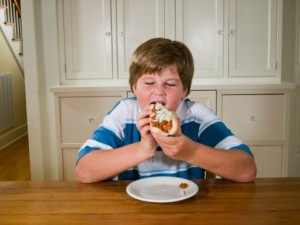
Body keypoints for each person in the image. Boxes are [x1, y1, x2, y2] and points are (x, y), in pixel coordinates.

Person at [76, 38, 257, 183]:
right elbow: (84, 170)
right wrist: (142, 149)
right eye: (148, 83)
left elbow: (247, 170)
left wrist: (190, 151)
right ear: (134, 88)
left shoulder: (196, 115)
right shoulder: (125, 113)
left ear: (184, 91)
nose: (158, 91)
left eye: (170, 84)